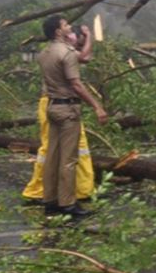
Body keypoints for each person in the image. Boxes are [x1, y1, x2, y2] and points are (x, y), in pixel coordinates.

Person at [37, 15, 107, 217]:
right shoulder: (66, 53)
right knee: (68, 159)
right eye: (65, 24)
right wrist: (97, 106)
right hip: (67, 110)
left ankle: (49, 201)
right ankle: (68, 203)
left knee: (52, 156)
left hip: (51, 108)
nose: (69, 27)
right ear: (59, 31)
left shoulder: (44, 53)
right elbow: (76, 84)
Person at [22, 25, 96, 204]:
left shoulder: (59, 51)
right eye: (67, 29)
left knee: (77, 147)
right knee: (51, 149)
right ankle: (40, 191)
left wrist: (85, 41)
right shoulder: (59, 50)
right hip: (56, 103)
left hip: (59, 104)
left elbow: (83, 57)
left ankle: (79, 190)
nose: (71, 34)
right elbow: (84, 57)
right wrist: (90, 37)